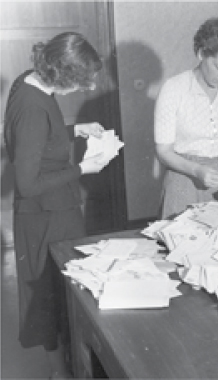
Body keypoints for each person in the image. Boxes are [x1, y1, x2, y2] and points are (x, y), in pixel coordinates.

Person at [4, 32, 109, 378]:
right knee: (49, 294)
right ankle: (60, 371)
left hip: (55, 208)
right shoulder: (32, 105)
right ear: (61, 76)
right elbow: (27, 183)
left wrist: (75, 129)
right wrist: (81, 168)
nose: (88, 87)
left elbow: (37, 135)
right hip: (43, 216)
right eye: (81, 83)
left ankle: (72, 362)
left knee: (63, 289)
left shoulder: (28, 82)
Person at [155, 17, 218, 219]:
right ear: (201, 53)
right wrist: (197, 170)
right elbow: (164, 152)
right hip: (183, 177)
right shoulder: (174, 88)